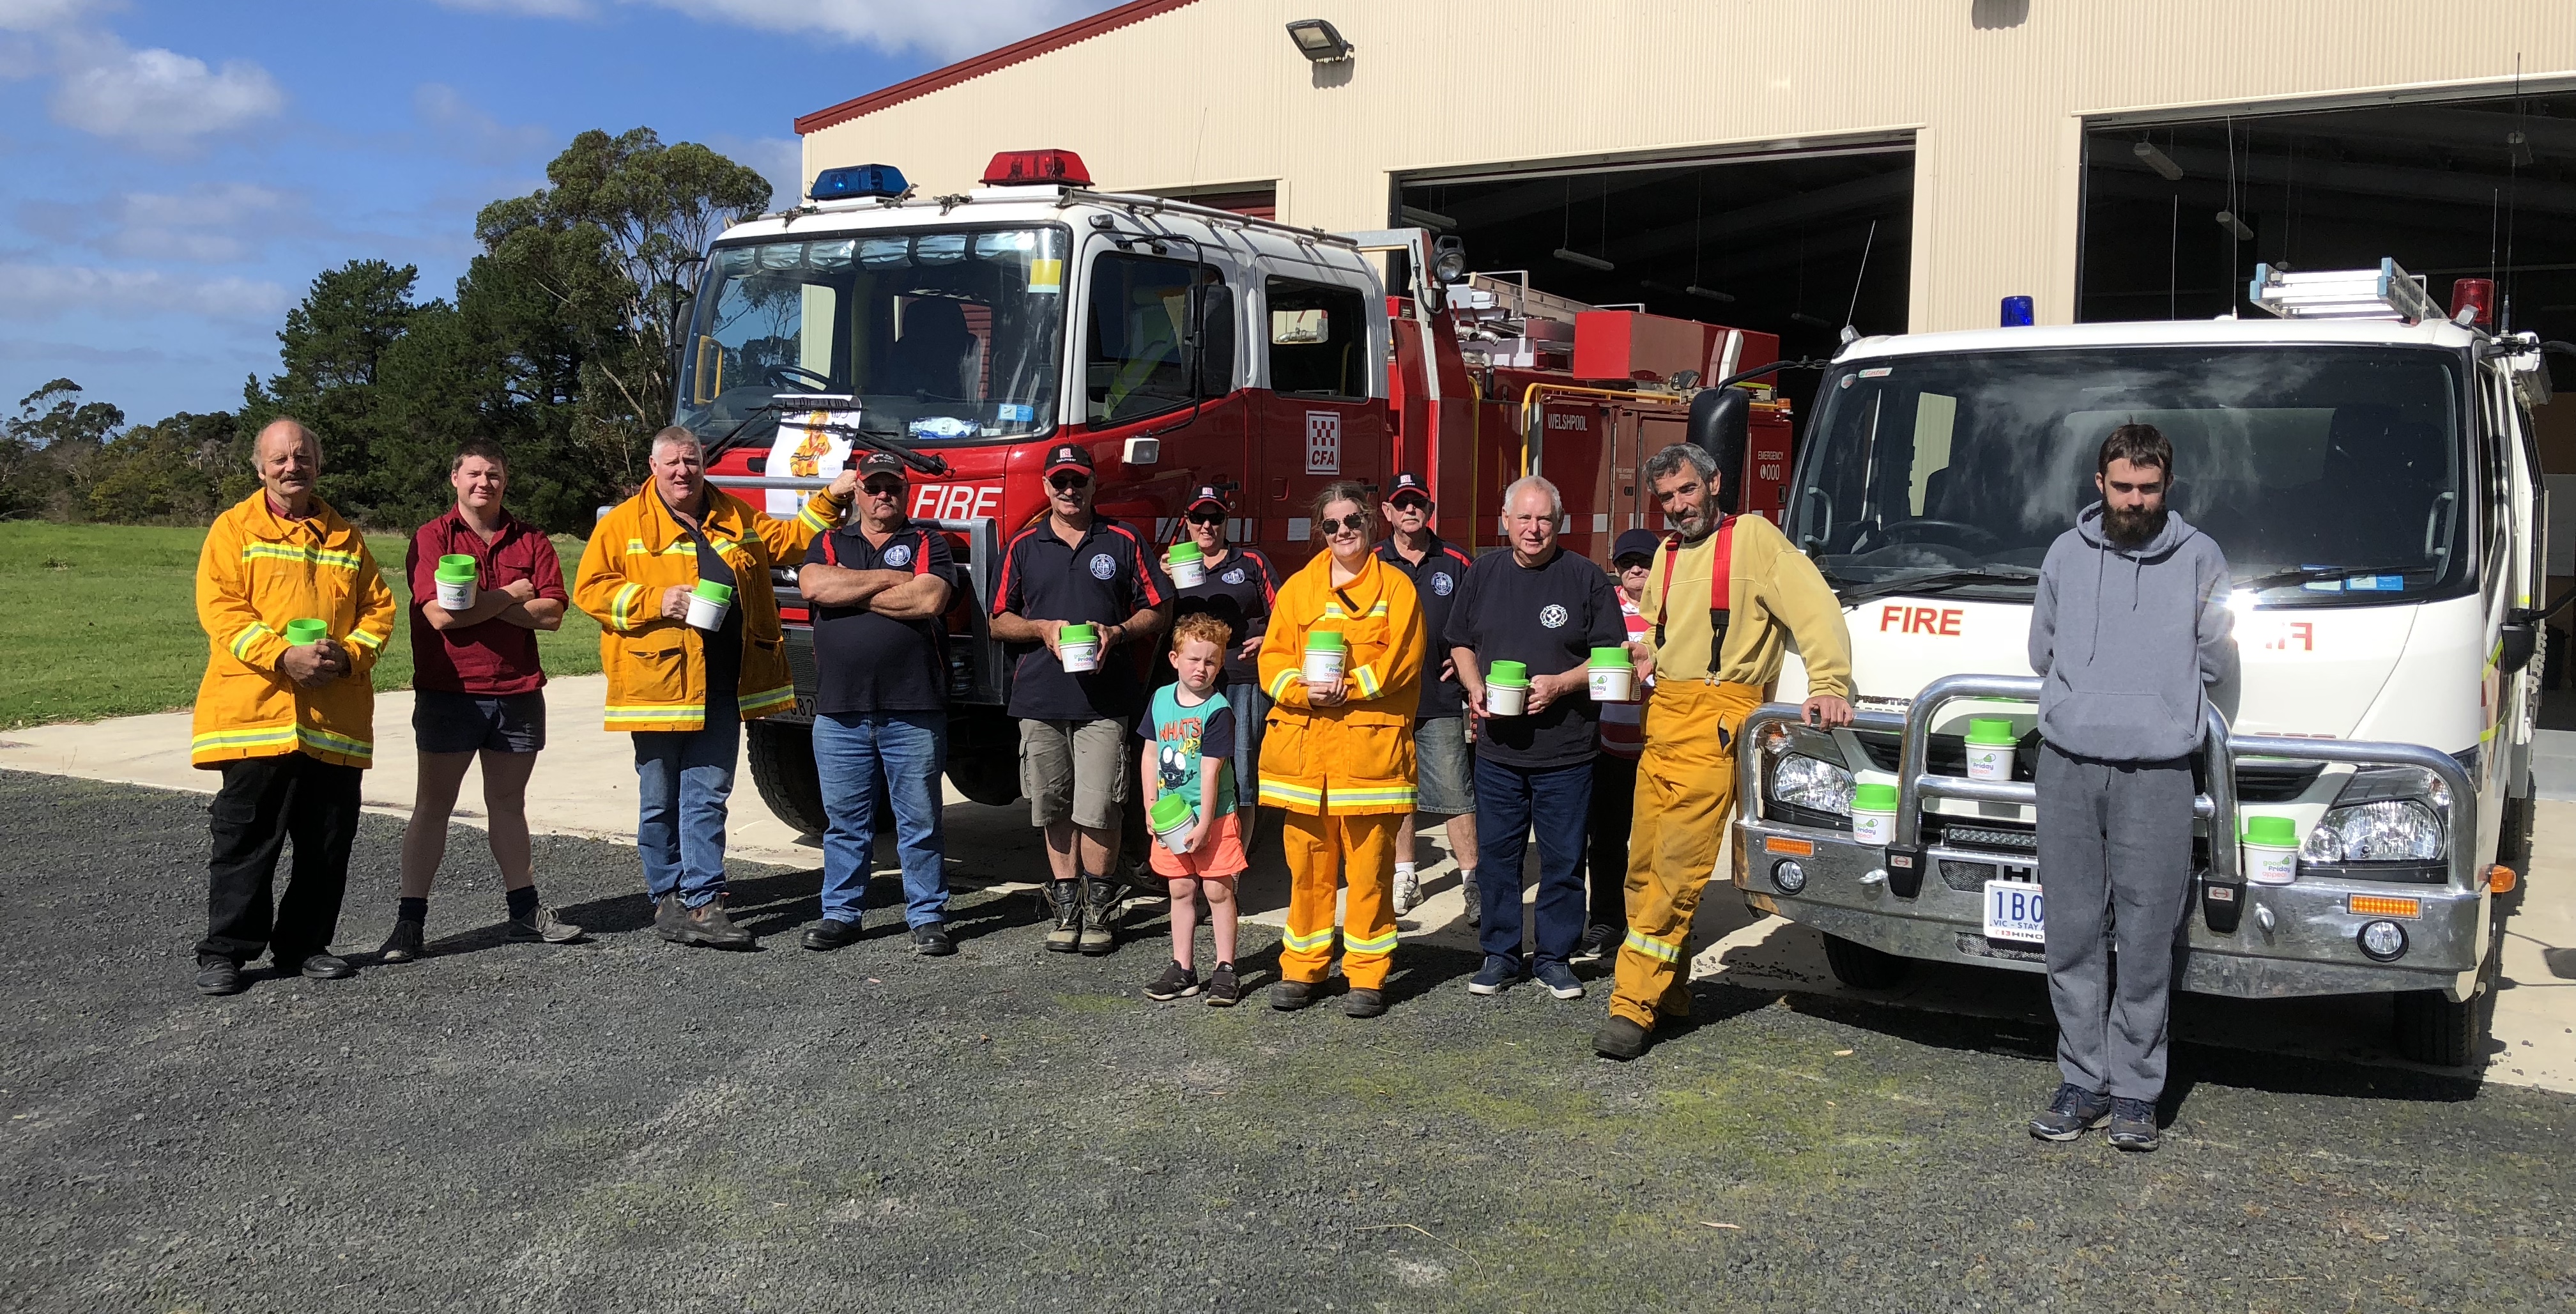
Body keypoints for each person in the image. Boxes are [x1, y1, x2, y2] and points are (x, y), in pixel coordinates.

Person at [1595, 441, 1854, 1061]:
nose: (1680, 505)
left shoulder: (1755, 541)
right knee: (1642, 870)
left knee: (1676, 875)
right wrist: (1638, 658)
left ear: (1713, 483)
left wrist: (1830, 686)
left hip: (1717, 720)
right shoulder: (1666, 552)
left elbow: (1815, 610)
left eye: (1687, 490)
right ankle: (1670, 995)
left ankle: (1632, 1004)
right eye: (1667, 498)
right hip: (1663, 721)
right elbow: (1659, 634)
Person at [2026, 424, 2232, 1153]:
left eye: (2148, 489)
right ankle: (2083, 1080)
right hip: (2068, 763)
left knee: (2147, 938)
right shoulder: (2063, 554)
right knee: (2073, 931)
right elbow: (2039, 650)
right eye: (2123, 487)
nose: (2135, 501)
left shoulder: (2202, 557)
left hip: (2158, 771)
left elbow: (2218, 656)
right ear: (2099, 485)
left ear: (2167, 488)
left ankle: (2137, 1092)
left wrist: (2168, 711)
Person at [574, 427, 855, 949]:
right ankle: (667, 899)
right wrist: (658, 601)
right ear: (653, 468)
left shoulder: (734, 514)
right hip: (655, 686)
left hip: (722, 683)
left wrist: (832, 498)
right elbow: (590, 590)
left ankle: (704, 901)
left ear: (702, 465)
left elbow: (788, 541)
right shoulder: (622, 523)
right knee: (659, 797)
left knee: (707, 796)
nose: (683, 471)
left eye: (691, 461)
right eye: (672, 463)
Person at [190, 419, 398, 995]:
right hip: (256, 713)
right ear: (260, 468)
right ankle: (225, 953)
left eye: (302, 457)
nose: (292, 467)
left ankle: (305, 945)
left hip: (334, 719)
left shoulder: (347, 539)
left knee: (326, 841)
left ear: (318, 465)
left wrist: (349, 654)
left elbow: (379, 611)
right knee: (246, 841)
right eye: (279, 459)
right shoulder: (233, 530)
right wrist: (284, 657)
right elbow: (222, 611)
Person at [380, 440, 578, 963]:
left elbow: (553, 615)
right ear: (455, 480)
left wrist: (480, 606)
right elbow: (441, 617)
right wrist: (514, 595)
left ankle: (525, 913)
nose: (483, 483)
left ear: (504, 481)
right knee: (433, 807)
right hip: (451, 693)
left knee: (509, 806)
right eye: (473, 474)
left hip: (517, 692)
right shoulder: (432, 537)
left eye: (493, 474)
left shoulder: (532, 538)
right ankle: (409, 924)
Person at [1447, 477, 1628, 1001]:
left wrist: (1562, 685)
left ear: (1559, 522)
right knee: (1498, 858)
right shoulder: (1483, 573)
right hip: (1498, 751)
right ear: (1505, 522)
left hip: (1568, 750)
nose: (1534, 529)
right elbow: (1459, 642)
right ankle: (1500, 956)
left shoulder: (1585, 577)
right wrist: (1475, 686)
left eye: (1544, 519)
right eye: (1524, 518)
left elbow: (1609, 654)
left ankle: (1554, 958)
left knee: (1563, 860)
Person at [990, 442, 1170, 955]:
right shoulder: (1024, 546)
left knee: (1101, 807)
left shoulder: (1122, 540)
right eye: (1061, 482)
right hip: (1040, 697)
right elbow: (998, 618)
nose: (1070, 491)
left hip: (1105, 700)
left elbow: (1158, 608)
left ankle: (1101, 909)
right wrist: (1041, 627)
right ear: (1046, 487)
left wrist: (1117, 631)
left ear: (1094, 485)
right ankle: (1067, 906)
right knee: (1052, 807)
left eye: (1079, 482)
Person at [1257, 483, 1425, 1017]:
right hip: (1306, 758)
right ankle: (1302, 968)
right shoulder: (1299, 589)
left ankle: (1367, 975)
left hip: (1368, 756)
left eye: (1352, 520)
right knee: (1306, 868)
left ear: (1370, 524)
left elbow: (1403, 659)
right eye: (1331, 524)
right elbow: (1273, 657)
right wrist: (1301, 691)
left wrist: (1346, 688)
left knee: (1371, 869)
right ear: (1321, 531)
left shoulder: (1396, 588)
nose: (1343, 532)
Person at [795, 451, 958, 957]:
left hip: (913, 706)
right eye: (873, 487)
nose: (883, 495)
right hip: (839, 710)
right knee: (844, 821)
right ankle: (841, 913)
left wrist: (850, 590)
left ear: (906, 492)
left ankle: (927, 915)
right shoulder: (828, 540)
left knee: (920, 819)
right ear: (857, 491)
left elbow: (930, 600)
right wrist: (891, 580)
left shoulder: (927, 540)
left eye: (893, 487)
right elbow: (814, 584)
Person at [1373, 472, 1478, 918]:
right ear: (1388, 512)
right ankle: (1405, 876)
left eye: (1418, 503)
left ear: (1430, 511)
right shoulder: (1370, 560)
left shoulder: (1456, 560)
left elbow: (1486, 618)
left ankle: (1474, 881)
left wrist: (1472, 658)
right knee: (1398, 792)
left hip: (1439, 697)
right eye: (1402, 503)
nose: (1410, 510)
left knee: (1456, 792)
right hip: (1387, 699)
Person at [1137, 614, 1249, 1005]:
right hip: (1171, 817)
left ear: (1220, 666)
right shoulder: (1161, 700)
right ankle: (1183, 968)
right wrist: (1150, 806)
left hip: (1212, 816)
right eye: (1193, 659)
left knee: (1218, 890)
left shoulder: (1218, 710)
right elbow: (1150, 754)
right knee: (1180, 888)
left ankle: (1226, 968)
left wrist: (1203, 825)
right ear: (1174, 658)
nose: (1201, 669)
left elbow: (1211, 770)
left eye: (1210, 662)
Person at [1165, 483, 1278, 840]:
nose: (1207, 526)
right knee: (1190, 768)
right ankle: (1194, 845)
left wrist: (1268, 639)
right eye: (1199, 518)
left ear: (1226, 520)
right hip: (1192, 687)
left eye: (1215, 518)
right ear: (1187, 521)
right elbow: (1150, 616)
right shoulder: (1174, 566)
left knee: (1242, 773)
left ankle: (1234, 864)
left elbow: (1289, 614)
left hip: (1242, 680)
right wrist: (1160, 579)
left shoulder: (1250, 562)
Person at [1570, 528, 1659, 964]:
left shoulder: (1673, 610)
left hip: (1659, 747)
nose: (1635, 569)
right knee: (1605, 841)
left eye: (1643, 561)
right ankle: (1606, 921)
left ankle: (1655, 922)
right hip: (1608, 746)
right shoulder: (1606, 608)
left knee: (1659, 844)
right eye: (1626, 563)